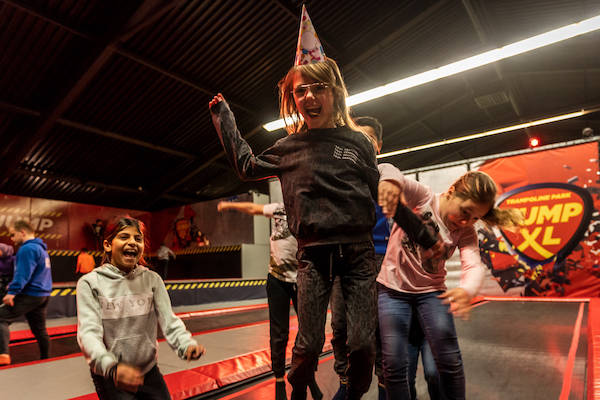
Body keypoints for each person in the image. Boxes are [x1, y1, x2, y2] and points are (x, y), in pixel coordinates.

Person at [209, 7, 435, 398]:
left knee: (363, 344)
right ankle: (298, 387)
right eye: (301, 91)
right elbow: (246, 166)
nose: (310, 97)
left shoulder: (359, 143)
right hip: (312, 256)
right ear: (292, 96)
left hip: (360, 257)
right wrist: (224, 118)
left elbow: (384, 195)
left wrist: (422, 233)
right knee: (309, 347)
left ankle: (353, 389)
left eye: (319, 89)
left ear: (335, 92)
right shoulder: (289, 147)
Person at [377, 171, 523, 399]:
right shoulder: (423, 198)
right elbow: (387, 167)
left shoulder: (465, 232)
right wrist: (389, 183)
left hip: (431, 294)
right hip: (393, 291)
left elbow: (473, 264)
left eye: (475, 218)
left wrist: (466, 290)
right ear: (451, 192)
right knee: (394, 365)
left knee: (449, 361)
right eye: (465, 212)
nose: (467, 222)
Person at [330, 117, 441, 400]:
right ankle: (345, 380)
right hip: (345, 259)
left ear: (378, 145)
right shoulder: (343, 175)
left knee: (381, 332)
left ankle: (384, 386)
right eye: (357, 138)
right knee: (341, 326)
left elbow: (394, 177)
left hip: (379, 260)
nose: (363, 144)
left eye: (368, 139)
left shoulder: (384, 173)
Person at [76, 216, 205, 398]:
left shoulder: (152, 280)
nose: (132, 243)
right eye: (124, 237)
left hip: (148, 371)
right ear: (107, 245)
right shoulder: (90, 283)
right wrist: (110, 366)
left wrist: (185, 344)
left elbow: (169, 321)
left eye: (138, 239)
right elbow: (88, 334)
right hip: (113, 375)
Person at [217, 201, 322, 400]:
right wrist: (230, 205)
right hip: (277, 279)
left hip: (303, 279)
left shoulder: (310, 209)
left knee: (309, 333)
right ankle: (279, 378)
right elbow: (252, 208)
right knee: (279, 332)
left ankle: (309, 376)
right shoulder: (279, 208)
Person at [0, 220, 52, 366]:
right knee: (39, 329)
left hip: (30, 294)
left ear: (22, 232)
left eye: (12, 235)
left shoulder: (27, 249)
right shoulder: (41, 248)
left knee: (1, 318)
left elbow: (23, 273)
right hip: (43, 295)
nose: (11, 239)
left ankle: (3, 355)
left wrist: (12, 292)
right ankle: (46, 359)